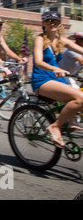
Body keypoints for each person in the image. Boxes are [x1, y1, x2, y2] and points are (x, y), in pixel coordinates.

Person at [31, 12, 83, 147]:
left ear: (60, 23)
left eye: (55, 21)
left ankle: (67, 123)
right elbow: (38, 62)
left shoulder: (62, 40)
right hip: (42, 80)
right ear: (43, 24)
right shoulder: (40, 39)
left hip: (57, 80)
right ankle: (55, 126)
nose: (52, 23)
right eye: (48, 21)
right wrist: (55, 69)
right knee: (80, 98)